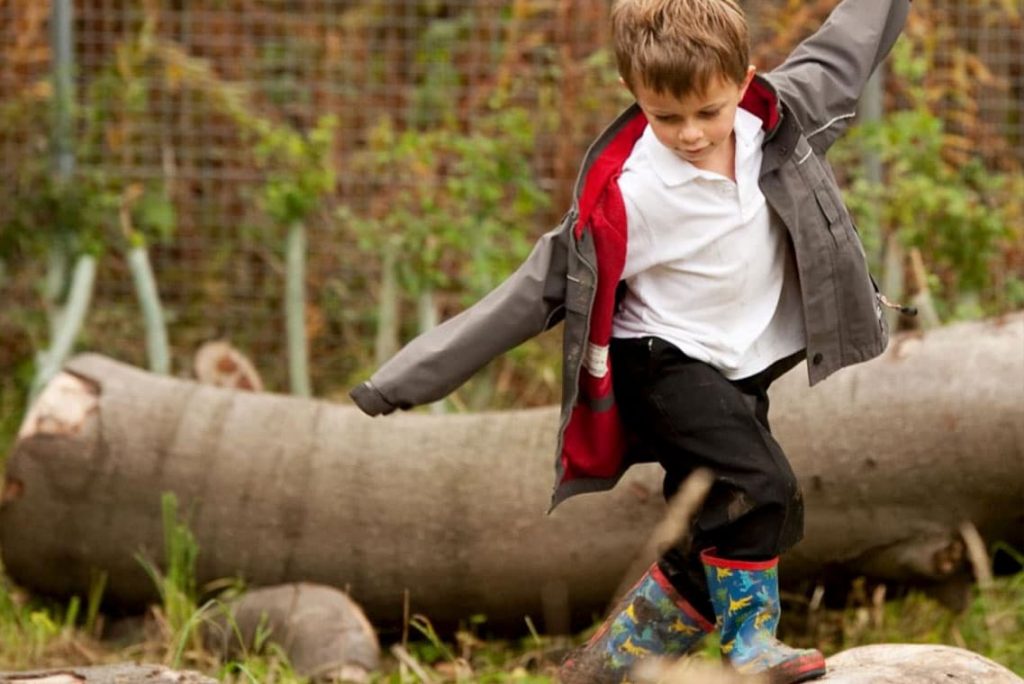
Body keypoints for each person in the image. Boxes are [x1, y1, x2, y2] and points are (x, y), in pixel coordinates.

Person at [351, 0, 910, 681]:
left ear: (745, 80)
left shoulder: (783, 120)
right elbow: (522, 299)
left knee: (718, 534)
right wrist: (402, 382)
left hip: (738, 370)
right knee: (760, 486)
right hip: (659, 363)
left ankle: (600, 673)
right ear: (636, 97)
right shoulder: (628, 193)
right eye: (665, 117)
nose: (692, 134)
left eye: (709, 112)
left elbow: (847, 44)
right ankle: (753, 648)